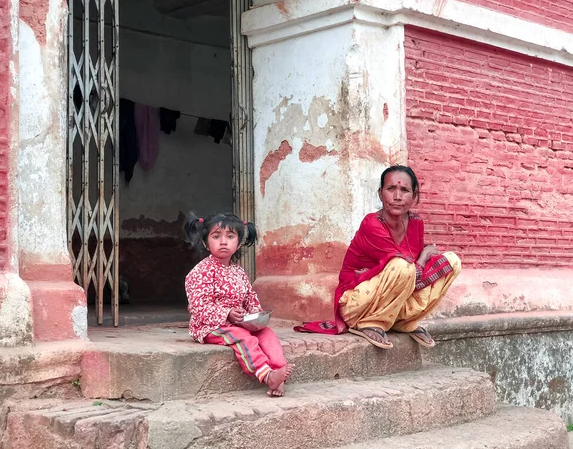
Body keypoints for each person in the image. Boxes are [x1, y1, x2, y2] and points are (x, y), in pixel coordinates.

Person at [295, 165, 461, 349]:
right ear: (381, 193)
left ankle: (402, 322)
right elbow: (408, 267)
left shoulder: (416, 223)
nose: (397, 196)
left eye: (404, 190)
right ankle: (369, 323)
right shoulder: (371, 224)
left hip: (394, 299)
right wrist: (422, 257)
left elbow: (411, 275)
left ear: (414, 196)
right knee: (401, 266)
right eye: (391, 189)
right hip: (356, 303)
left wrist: (388, 270)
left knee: (452, 262)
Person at [184, 212, 294, 396]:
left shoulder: (238, 271)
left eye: (230, 236)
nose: (223, 241)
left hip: (238, 322)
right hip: (209, 326)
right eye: (216, 236)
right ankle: (266, 376)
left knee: (267, 334)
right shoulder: (201, 271)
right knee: (243, 337)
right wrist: (226, 314)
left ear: (239, 243)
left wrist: (255, 314)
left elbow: (249, 296)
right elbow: (198, 306)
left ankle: (279, 373)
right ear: (205, 243)